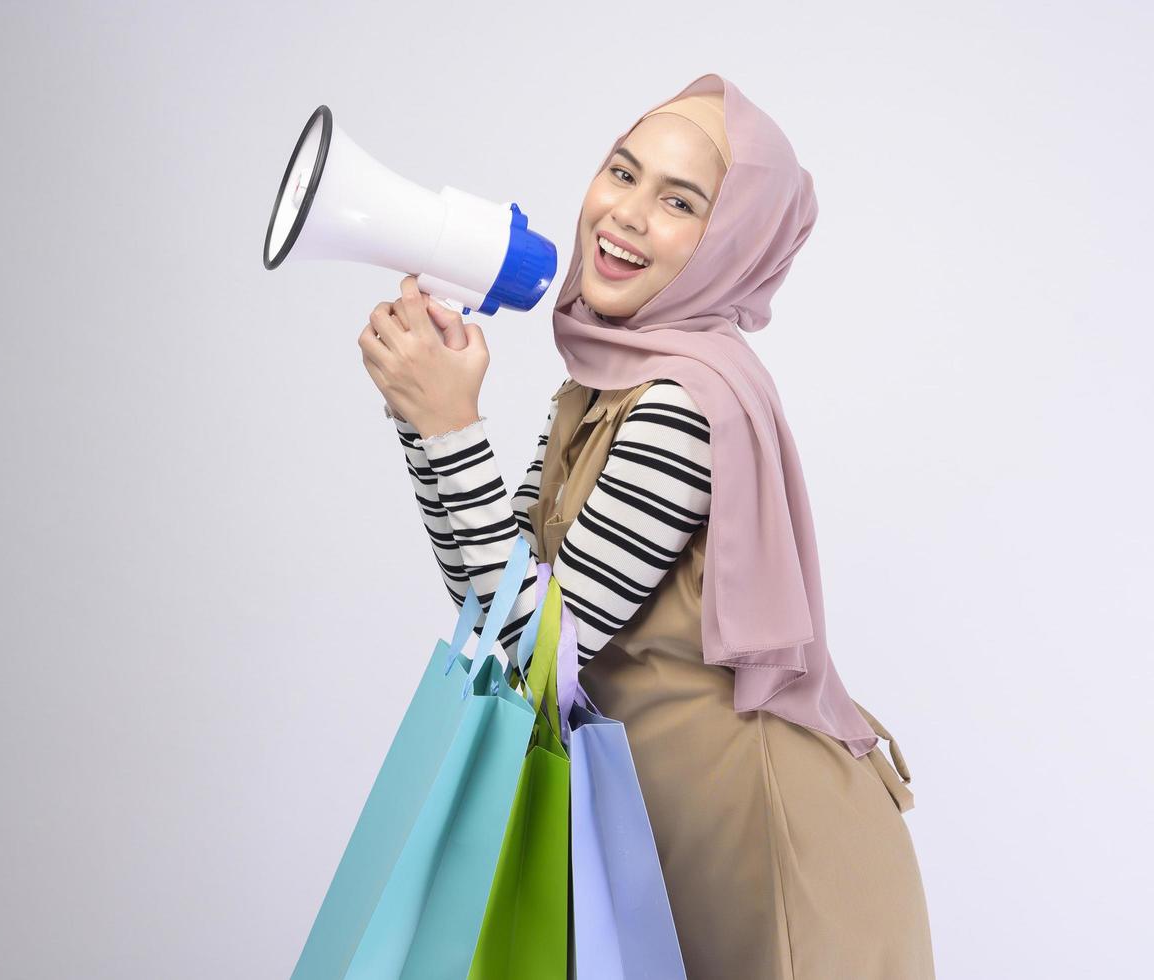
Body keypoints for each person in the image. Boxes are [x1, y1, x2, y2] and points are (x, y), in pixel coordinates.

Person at [359, 72, 936, 979]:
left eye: (679, 201)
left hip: (759, 850)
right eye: (621, 173)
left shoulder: (684, 403)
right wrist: (420, 416)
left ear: (730, 245)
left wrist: (449, 427)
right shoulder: (602, 376)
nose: (625, 214)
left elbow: (544, 653)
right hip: (658, 829)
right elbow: (497, 601)